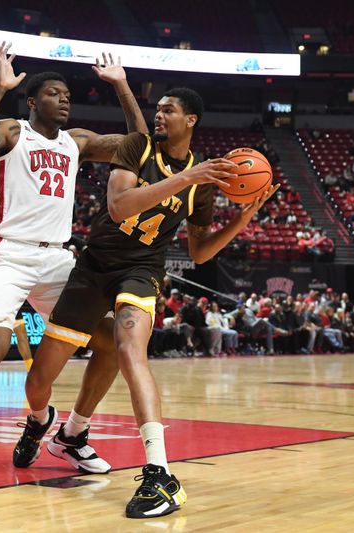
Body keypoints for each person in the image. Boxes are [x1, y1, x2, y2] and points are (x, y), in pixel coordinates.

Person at [14, 87, 279, 518]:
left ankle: (159, 472)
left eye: (168, 110)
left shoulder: (203, 180)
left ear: (190, 120)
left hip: (142, 270)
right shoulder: (137, 147)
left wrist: (243, 218)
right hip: (94, 266)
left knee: (128, 348)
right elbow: (119, 207)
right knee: (39, 379)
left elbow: (198, 253)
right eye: (157, 109)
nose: (158, 115)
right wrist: (186, 179)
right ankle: (43, 424)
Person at [0, 43, 147, 481]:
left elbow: (139, 146)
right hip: (7, 254)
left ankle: (71, 433)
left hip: (56, 259)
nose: (65, 99)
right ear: (33, 101)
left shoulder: (79, 142)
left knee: (114, 341)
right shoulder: (12, 131)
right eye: (54, 93)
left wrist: (122, 86)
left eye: (67, 94)